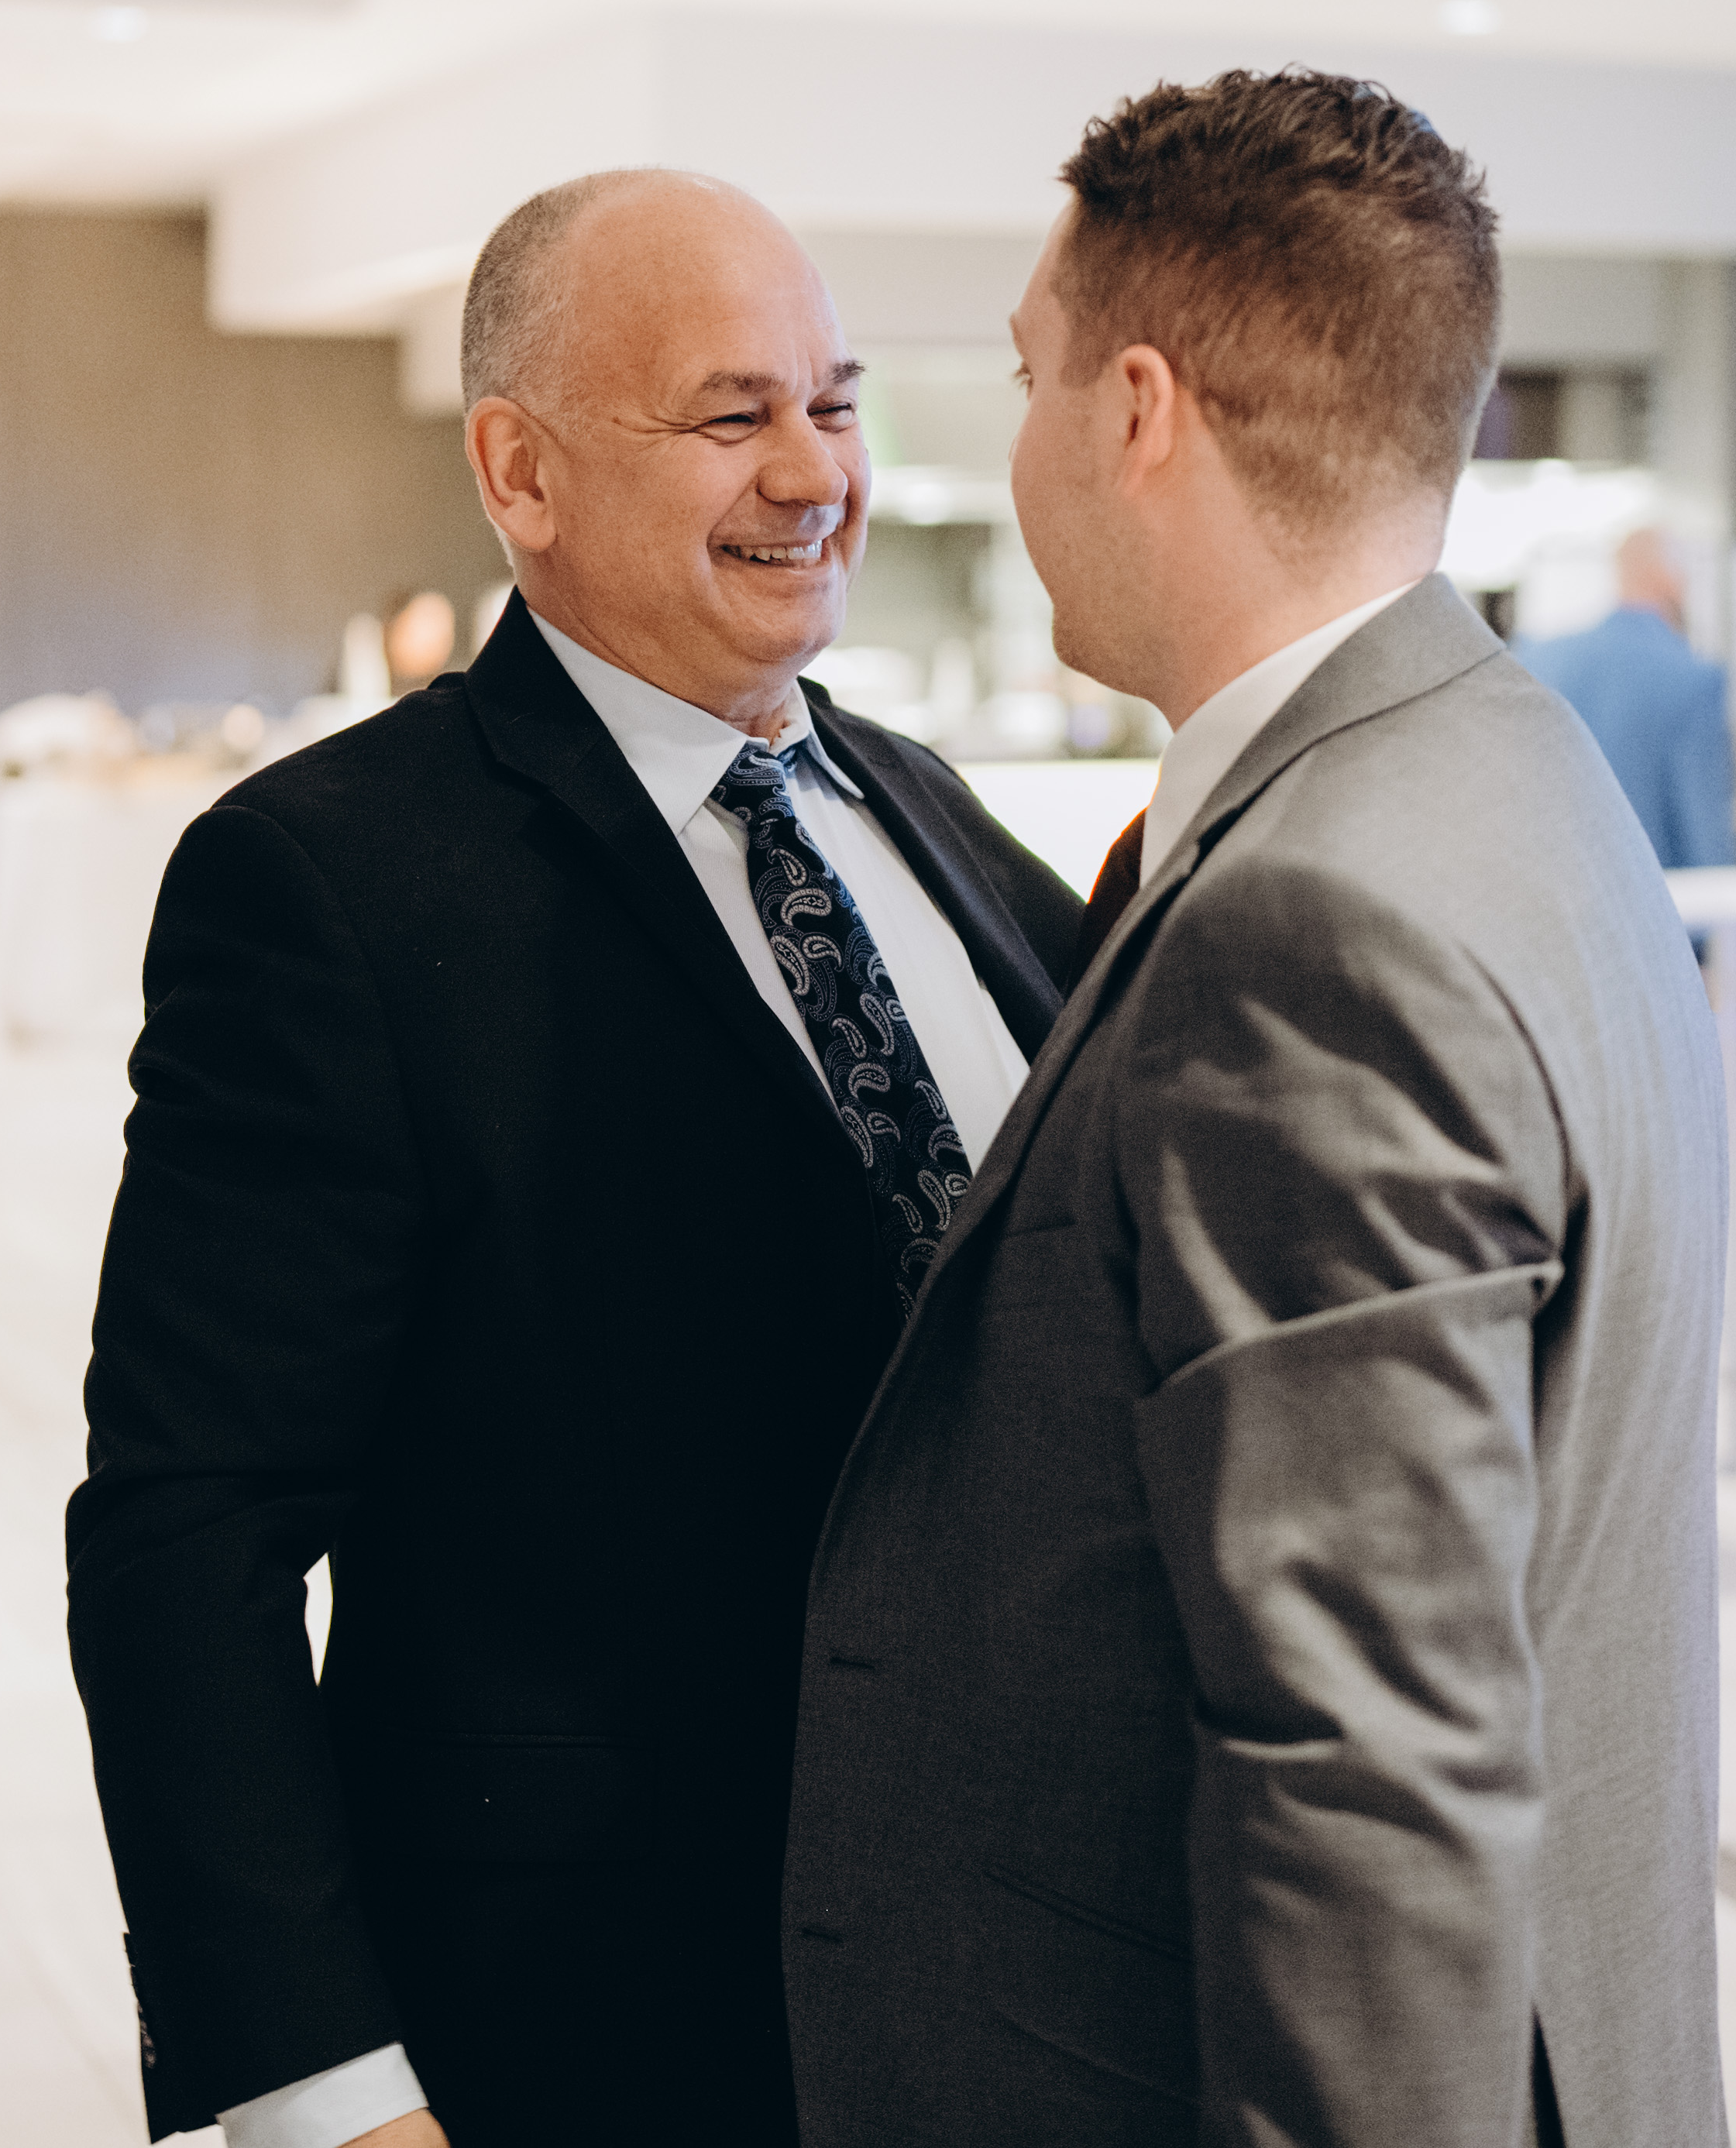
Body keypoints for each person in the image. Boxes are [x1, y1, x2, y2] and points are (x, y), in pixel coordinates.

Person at [64, 170, 1082, 2148]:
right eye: (731, 414)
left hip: (1003, 1992)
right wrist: (317, 2087)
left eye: (836, 401)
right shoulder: (327, 883)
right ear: (517, 472)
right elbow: (186, 1529)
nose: (815, 472)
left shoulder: (926, 811)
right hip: (602, 2023)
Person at [782, 71, 1728, 2148]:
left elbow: (1365, 1766)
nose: (1014, 440)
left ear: (1134, 410)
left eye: (1025, 377)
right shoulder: (1510, 765)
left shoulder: (1311, 924)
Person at [1523, 525, 1736, 869]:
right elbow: (1705, 834)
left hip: (1554, 886)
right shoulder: (1693, 678)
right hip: (1656, 891)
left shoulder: (1537, 659)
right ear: (1669, 577)